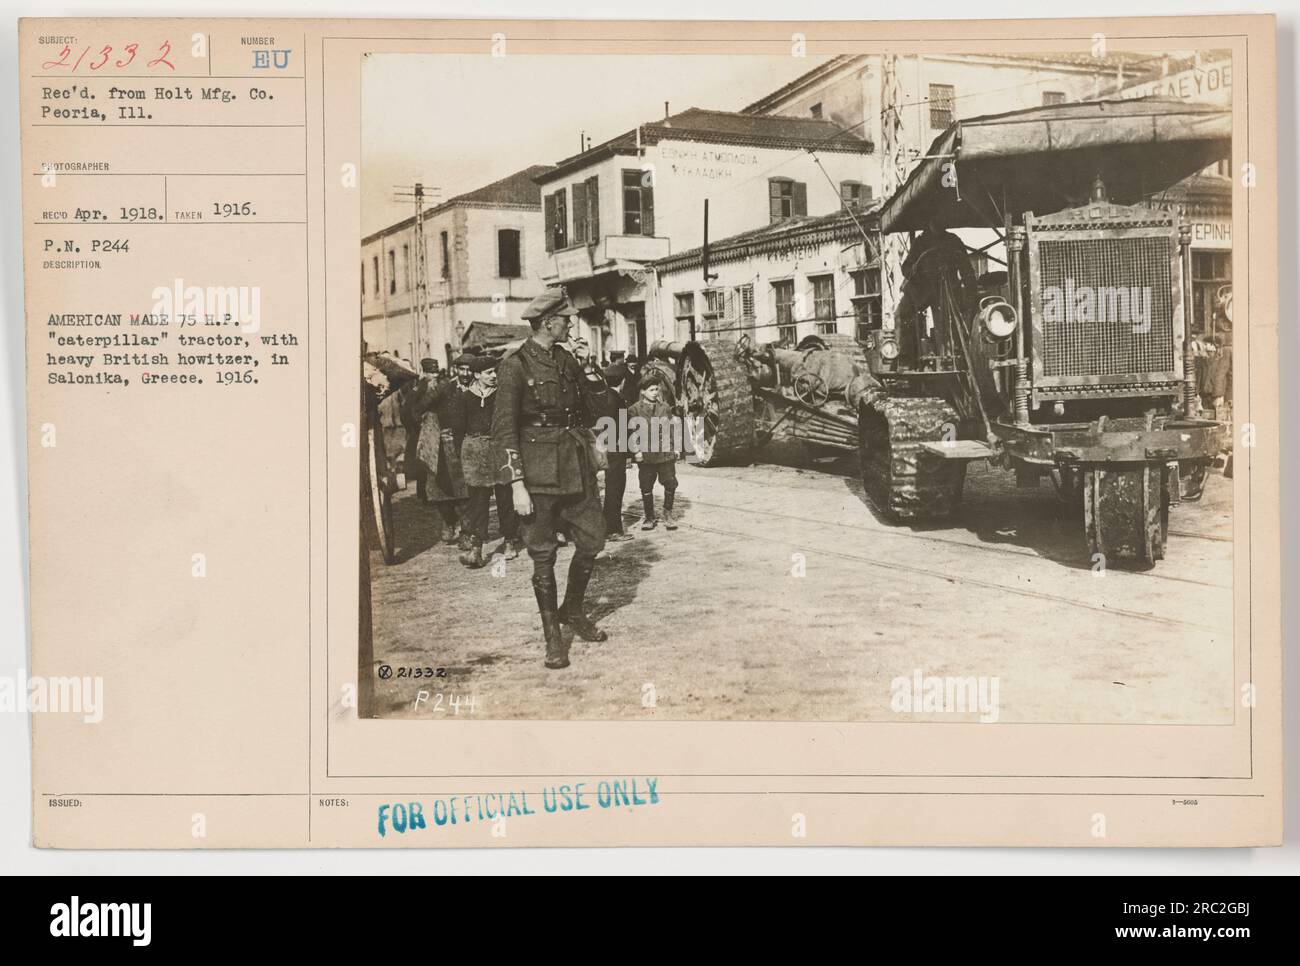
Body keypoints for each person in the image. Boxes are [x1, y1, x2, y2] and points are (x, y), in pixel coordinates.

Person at [491, 290, 609, 670]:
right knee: (542, 555)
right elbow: (503, 431)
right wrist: (516, 484)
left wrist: (590, 369)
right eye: (565, 320)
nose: (570, 323)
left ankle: (571, 608)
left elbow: (594, 410)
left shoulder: (567, 360)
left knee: (593, 539)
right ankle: (553, 641)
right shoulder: (515, 366)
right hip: (537, 473)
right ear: (548, 323)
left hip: (574, 466)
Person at [458, 355, 522, 568]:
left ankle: (510, 540)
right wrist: (469, 450)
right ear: (477, 375)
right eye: (488, 373)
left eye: (495, 372)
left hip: (499, 448)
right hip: (475, 452)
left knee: (505, 498)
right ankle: (476, 548)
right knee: (477, 501)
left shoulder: (502, 396)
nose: (494, 376)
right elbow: (459, 429)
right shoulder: (465, 398)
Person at [412, 354, 470, 543]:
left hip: (465, 441)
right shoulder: (444, 386)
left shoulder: (478, 387)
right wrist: (428, 429)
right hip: (441, 441)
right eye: (462, 369)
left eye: (469, 370)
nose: (466, 374)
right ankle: (449, 521)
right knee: (438, 487)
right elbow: (415, 410)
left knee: (464, 489)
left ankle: (465, 529)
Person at [629, 374, 680, 531]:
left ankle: (668, 513)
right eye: (651, 390)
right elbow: (631, 433)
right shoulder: (634, 409)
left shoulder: (665, 407)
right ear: (643, 392)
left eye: (657, 389)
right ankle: (649, 517)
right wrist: (636, 451)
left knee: (670, 482)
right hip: (646, 455)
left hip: (665, 453)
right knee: (646, 485)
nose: (655, 392)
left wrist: (676, 447)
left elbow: (672, 428)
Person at [399, 358, 438, 499]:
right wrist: (415, 428)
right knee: (424, 464)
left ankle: (427, 494)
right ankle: (424, 495)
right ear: (425, 372)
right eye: (431, 372)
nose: (435, 375)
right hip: (422, 432)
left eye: (436, 372)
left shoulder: (430, 385)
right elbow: (406, 411)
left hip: (430, 430)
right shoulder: (421, 387)